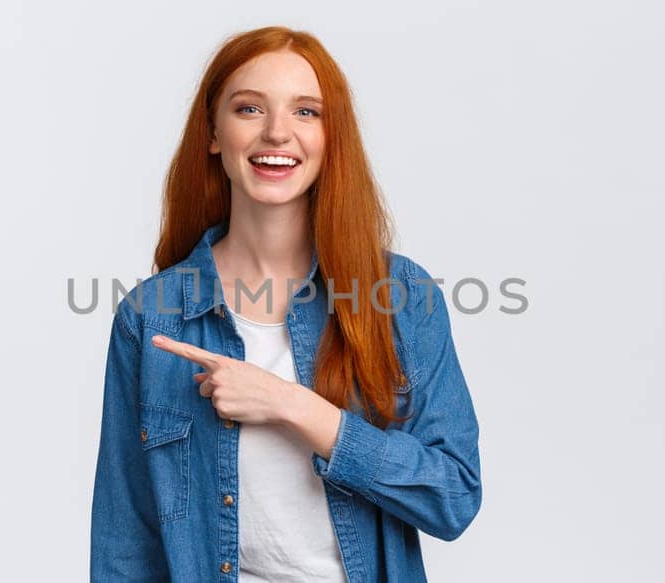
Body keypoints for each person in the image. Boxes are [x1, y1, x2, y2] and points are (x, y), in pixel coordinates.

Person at [90, 25, 481, 582]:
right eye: (249, 109)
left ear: (332, 137)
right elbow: (125, 544)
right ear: (213, 133)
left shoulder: (400, 298)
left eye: (306, 113)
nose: (277, 133)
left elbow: (453, 498)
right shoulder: (150, 317)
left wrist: (295, 407)